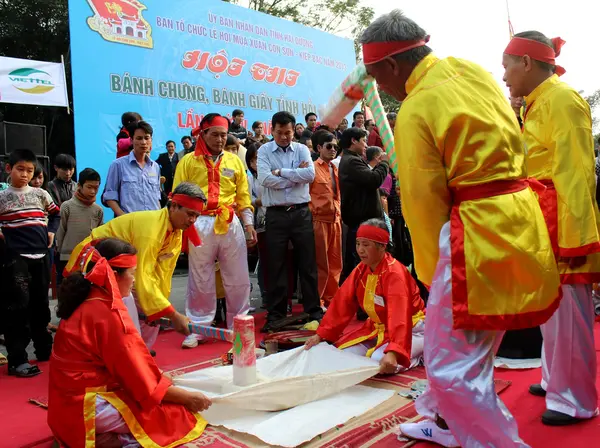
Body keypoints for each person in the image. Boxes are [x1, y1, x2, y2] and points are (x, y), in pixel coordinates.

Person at [360, 10, 561, 447]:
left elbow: (422, 198)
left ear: (392, 67)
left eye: (377, 77)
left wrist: (431, 273)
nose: (380, 88)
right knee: (475, 342)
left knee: (451, 358)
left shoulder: (415, 108)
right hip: (518, 215)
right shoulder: (471, 70)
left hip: (473, 231)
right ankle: (445, 420)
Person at [503, 31, 600, 426]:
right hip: (541, 217)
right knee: (549, 309)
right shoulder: (537, 103)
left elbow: (576, 173)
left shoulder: (561, 100)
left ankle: (575, 400)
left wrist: (577, 237)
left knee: (568, 313)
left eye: (507, 64)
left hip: (561, 221)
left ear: (526, 62)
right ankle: (554, 378)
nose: (504, 74)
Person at [49, 238, 211, 447]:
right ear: (113, 275)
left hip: (62, 403)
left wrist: (159, 379)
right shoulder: (109, 313)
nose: (134, 280)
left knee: (160, 390)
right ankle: (110, 440)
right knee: (174, 413)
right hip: (87, 405)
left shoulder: (87, 298)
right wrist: (187, 398)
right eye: (132, 273)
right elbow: (140, 380)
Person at [66, 182, 206, 348]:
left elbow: (162, 275)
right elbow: (142, 277)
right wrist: (173, 315)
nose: (193, 220)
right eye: (190, 214)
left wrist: (160, 309)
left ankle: (140, 354)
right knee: (127, 306)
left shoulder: (176, 233)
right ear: (174, 206)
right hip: (92, 263)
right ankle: (131, 354)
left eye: (197, 216)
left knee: (150, 309)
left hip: (120, 272)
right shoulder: (151, 229)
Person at [174, 114, 256, 348]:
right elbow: (178, 195)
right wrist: (181, 228)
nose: (220, 140)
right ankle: (199, 327)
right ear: (203, 134)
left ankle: (238, 325)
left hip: (229, 222)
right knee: (200, 277)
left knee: (238, 276)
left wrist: (248, 224)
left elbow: (243, 196)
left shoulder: (234, 161)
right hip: (198, 222)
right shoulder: (188, 161)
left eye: (223, 135)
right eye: (215, 135)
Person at [305, 218, 425, 373]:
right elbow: (342, 303)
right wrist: (321, 335)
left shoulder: (395, 274)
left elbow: (399, 317)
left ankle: (420, 354)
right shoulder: (361, 269)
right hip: (379, 328)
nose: (360, 250)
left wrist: (394, 352)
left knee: (379, 362)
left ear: (382, 247)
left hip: (411, 329)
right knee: (343, 354)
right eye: (358, 243)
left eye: (366, 245)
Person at [257, 111, 324, 330]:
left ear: (294, 130)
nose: (285, 137)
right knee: (275, 264)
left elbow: (310, 176)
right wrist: (294, 177)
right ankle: (276, 313)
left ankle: (313, 309)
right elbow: (265, 179)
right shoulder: (264, 151)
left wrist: (282, 172)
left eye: (288, 132)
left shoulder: (303, 149)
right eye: (279, 133)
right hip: (275, 214)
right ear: (272, 130)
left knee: (308, 262)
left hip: (301, 212)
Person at [0, 149, 60, 377]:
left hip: (41, 256)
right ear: (9, 169)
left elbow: (55, 214)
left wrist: (52, 232)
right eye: (20, 169)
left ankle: (45, 350)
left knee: (40, 304)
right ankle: (17, 360)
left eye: (29, 170)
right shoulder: (2, 197)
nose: (25, 174)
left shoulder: (40, 194)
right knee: (18, 308)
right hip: (15, 259)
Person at [339, 127, 389, 285]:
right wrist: (384, 163)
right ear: (353, 141)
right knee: (364, 262)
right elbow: (373, 179)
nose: (366, 145)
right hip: (362, 221)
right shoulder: (351, 161)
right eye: (363, 141)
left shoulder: (354, 159)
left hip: (365, 219)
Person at [309, 130, 342, 307]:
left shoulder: (335, 168)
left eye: (336, 147)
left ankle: (332, 298)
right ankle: (318, 300)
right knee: (321, 263)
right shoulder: (312, 167)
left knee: (336, 262)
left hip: (335, 219)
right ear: (319, 147)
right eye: (329, 146)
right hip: (319, 221)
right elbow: (306, 195)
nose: (333, 150)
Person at [103, 121, 161, 217]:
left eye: (147, 138)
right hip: (128, 225)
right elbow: (110, 197)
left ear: (151, 140)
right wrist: (124, 218)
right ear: (131, 140)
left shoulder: (155, 167)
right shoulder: (117, 165)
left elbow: (157, 198)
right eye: (139, 138)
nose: (143, 142)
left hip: (152, 223)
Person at [55, 168, 104, 282]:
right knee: (68, 289)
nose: (93, 191)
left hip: (89, 257)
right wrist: (59, 253)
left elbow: (99, 235)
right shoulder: (67, 206)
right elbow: (60, 231)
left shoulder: (98, 210)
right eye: (89, 187)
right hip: (68, 257)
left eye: (96, 188)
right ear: (79, 186)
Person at [246, 143, 267, 300]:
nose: (258, 163)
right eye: (255, 160)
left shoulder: (272, 173)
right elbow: (246, 200)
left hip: (277, 218)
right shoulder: (248, 178)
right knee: (264, 257)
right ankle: (265, 293)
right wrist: (259, 201)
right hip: (260, 222)